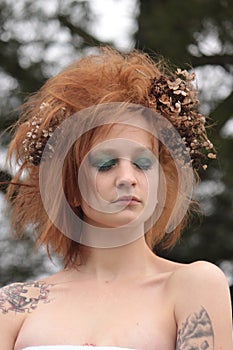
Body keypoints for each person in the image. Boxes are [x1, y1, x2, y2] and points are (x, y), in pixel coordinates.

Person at [0, 47, 232, 350]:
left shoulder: (192, 286)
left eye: (143, 163)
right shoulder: (14, 306)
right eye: (106, 164)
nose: (127, 178)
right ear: (70, 188)